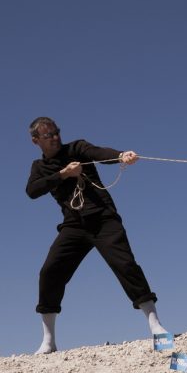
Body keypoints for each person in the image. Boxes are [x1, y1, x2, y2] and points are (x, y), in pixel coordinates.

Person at [25, 117, 167, 354]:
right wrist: (63, 174)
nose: (55, 137)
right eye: (48, 135)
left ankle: (155, 325)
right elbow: (32, 191)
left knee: (126, 265)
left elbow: (100, 153)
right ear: (36, 140)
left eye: (57, 132)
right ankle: (48, 341)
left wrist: (121, 155)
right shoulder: (39, 167)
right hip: (73, 225)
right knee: (49, 272)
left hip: (103, 219)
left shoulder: (77, 148)